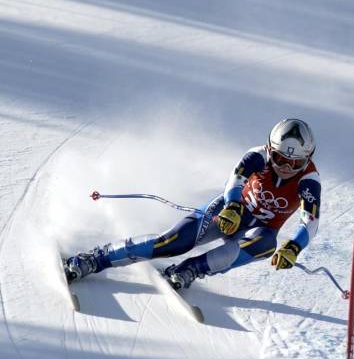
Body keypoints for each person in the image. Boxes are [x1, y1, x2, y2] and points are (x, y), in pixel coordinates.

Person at [64, 119, 321, 290]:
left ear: (306, 159)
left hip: (261, 229)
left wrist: (295, 247)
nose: (287, 168)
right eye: (280, 159)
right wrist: (232, 205)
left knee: (266, 245)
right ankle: (95, 258)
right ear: (270, 149)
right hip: (232, 211)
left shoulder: (309, 180)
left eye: (295, 163)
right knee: (172, 243)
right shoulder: (258, 156)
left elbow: (311, 221)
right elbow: (236, 179)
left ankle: (190, 270)